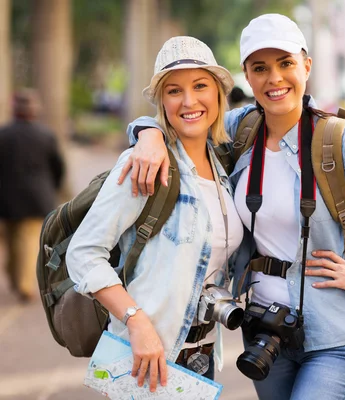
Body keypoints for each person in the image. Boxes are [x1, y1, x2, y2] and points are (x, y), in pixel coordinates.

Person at [119, 14, 345, 400]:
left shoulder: (340, 141)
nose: (274, 78)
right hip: (263, 331)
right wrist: (148, 133)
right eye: (260, 68)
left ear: (306, 65)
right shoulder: (241, 129)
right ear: (246, 76)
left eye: (285, 63)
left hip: (336, 335)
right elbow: (182, 118)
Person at [66, 36, 244, 392]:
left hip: (200, 357)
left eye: (200, 86)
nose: (189, 101)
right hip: (147, 358)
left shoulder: (223, 164)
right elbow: (83, 253)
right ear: (162, 101)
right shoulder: (144, 165)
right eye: (174, 90)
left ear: (218, 95)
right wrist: (136, 321)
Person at [0, 89, 64, 303]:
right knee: (28, 241)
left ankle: (18, 279)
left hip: (7, 199)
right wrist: (52, 187)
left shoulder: (3, 134)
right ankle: (24, 282)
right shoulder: (46, 135)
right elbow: (58, 167)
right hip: (37, 197)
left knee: (12, 241)